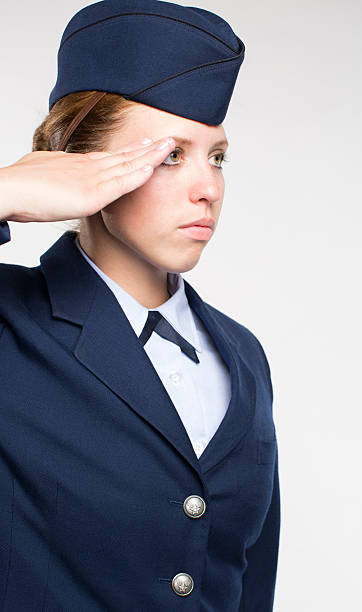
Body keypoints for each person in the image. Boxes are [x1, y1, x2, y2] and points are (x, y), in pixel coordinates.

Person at [0, 1, 280, 610]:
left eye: (218, 157)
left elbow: (249, 582)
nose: (208, 187)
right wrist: (5, 189)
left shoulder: (243, 355)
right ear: (75, 160)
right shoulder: (9, 322)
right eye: (171, 155)